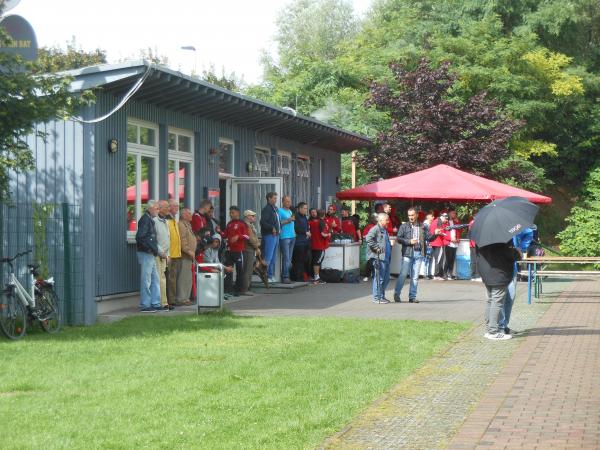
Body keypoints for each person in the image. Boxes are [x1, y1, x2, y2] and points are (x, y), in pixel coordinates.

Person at [476, 240, 521, 341]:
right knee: (497, 302)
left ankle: (489, 330)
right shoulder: (502, 238)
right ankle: (493, 331)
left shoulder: (482, 237)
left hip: (486, 273)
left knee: (490, 301)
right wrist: (517, 252)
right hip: (499, 273)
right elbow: (510, 255)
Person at [393, 207, 433, 303]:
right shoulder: (404, 226)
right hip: (407, 253)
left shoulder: (422, 226)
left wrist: (435, 233)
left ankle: (412, 297)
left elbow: (429, 238)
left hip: (418, 253)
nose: (410, 217)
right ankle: (397, 293)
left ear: (417, 215)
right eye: (409, 215)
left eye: (412, 215)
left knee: (415, 277)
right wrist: (409, 241)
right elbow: (398, 239)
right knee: (403, 274)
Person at [135, 200, 163, 312]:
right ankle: (145, 305)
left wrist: (154, 249)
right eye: (157, 208)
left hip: (150, 253)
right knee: (146, 280)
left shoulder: (149, 220)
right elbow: (140, 237)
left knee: (155, 279)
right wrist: (150, 248)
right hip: (146, 253)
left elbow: (148, 238)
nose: (158, 210)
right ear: (150, 208)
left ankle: (155, 303)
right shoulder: (145, 219)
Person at [366, 213, 392, 304]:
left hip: (385, 258)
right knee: (379, 278)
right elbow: (368, 239)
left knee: (386, 278)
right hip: (379, 258)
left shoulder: (384, 229)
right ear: (381, 220)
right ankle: (377, 298)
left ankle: (381, 296)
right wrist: (376, 248)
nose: (388, 221)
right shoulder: (375, 229)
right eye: (387, 220)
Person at [224, 206, 248, 296]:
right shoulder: (229, 224)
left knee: (239, 270)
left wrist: (238, 236)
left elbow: (247, 236)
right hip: (230, 251)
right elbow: (225, 235)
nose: (231, 214)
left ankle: (239, 290)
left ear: (237, 213)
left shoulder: (242, 223)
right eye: (230, 213)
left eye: (232, 212)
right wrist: (219, 232)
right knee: (228, 270)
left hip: (239, 251)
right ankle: (228, 289)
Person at [153, 200, 171, 310]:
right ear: (160, 208)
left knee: (162, 278)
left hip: (165, 255)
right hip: (158, 254)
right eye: (166, 207)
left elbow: (167, 239)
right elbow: (154, 240)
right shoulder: (154, 221)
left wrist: (167, 255)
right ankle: (161, 303)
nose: (168, 209)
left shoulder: (166, 221)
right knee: (160, 279)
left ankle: (164, 302)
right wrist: (162, 253)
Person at [177, 208, 196, 306]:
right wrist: (188, 251)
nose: (191, 215)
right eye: (189, 214)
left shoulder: (187, 225)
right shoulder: (181, 225)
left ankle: (186, 298)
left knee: (188, 278)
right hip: (185, 255)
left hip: (190, 256)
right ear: (184, 215)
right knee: (183, 278)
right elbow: (182, 240)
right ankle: (181, 298)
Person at [260, 192, 280, 283]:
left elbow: (277, 221)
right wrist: (272, 228)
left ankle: (270, 275)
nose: (276, 200)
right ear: (269, 198)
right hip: (269, 235)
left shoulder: (274, 209)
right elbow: (263, 222)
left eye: (276, 198)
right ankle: (266, 276)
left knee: (272, 257)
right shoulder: (267, 209)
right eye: (274, 198)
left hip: (276, 235)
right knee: (268, 257)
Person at [165, 200, 181, 309]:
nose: (177, 208)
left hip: (176, 253)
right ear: (169, 207)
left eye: (178, 206)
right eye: (175, 206)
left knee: (173, 278)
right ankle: (169, 300)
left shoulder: (173, 219)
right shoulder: (166, 220)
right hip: (169, 254)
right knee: (169, 278)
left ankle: (172, 299)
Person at [309, 209, 331, 284]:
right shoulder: (322, 222)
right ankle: (317, 278)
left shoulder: (312, 222)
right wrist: (329, 234)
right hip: (320, 245)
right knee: (317, 262)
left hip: (313, 244)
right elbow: (323, 234)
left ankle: (314, 277)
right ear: (324, 215)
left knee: (314, 261)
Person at [241, 210, 260, 295]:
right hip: (248, 249)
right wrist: (256, 247)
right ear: (248, 216)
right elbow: (251, 238)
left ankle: (247, 287)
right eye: (252, 216)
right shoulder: (246, 225)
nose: (254, 218)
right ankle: (245, 289)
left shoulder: (251, 225)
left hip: (251, 249)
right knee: (247, 270)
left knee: (249, 269)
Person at [278, 195, 296, 284]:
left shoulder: (290, 211)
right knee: (286, 258)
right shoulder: (280, 211)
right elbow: (278, 223)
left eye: (290, 201)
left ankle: (286, 275)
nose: (289, 203)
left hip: (292, 236)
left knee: (289, 258)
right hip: (284, 237)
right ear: (283, 202)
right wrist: (289, 220)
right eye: (287, 201)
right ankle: (285, 276)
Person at [292, 202, 311, 282]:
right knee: (298, 260)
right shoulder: (296, 216)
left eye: (306, 208)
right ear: (300, 208)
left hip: (305, 241)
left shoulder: (305, 217)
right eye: (305, 208)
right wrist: (305, 232)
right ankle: (297, 277)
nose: (306, 210)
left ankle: (302, 276)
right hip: (298, 242)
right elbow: (296, 228)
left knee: (304, 260)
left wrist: (308, 232)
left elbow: (307, 227)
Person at [429, 212, 450, 280]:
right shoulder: (439, 222)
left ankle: (434, 274)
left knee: (436, 259)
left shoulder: (436, 221)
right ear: (443, 217)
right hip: (438, 243)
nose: (446, 221)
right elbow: (439, 232)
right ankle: (437, 274)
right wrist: (445, 235)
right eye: (446, 219)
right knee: (439, 259)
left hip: (434, 242)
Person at [445, 209, 462, 280]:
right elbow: (444, 233)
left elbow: (460, 230)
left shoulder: (456, 222)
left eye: (455, 213)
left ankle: (451, 273)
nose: (454, 215)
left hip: (455, 243)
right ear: (449, 214)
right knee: (448, 258)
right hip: (449, 243)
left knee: (452, 259)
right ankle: (445, 273)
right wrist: (450, 239)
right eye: (452, 213)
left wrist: (458, 238)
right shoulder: (446, 222)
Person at [362, 213, 378, 282]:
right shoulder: (369, 226)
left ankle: (375, 275)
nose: (376, 219)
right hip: (370, 246)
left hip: (377, 245)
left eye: (377, 218)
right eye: (375, 218)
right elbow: (364, 236)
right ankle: (367, 275)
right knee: (370, 260)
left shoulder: (379, 226)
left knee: (376, 260)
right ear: (372, 219)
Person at [420, 211, 435, 279]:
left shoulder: (429, 224)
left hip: (429, 243)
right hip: (427, 243)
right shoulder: (425, 225)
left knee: (429, 259)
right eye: (432, 216)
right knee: (426, 259)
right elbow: (424, 235)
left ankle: (429, 273)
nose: (433, 217)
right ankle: (425, 274)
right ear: (428, 217)